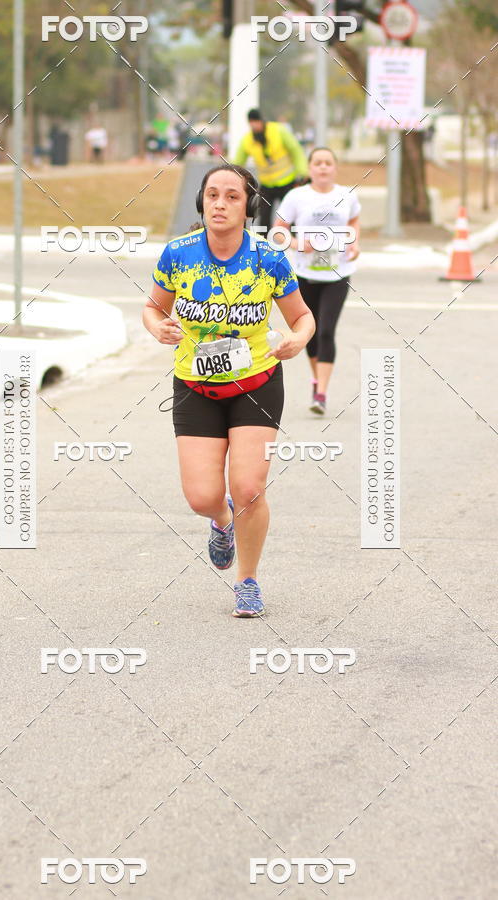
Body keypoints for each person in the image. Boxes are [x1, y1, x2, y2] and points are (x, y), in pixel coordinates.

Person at [143, 164, 315, 617]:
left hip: (255, 383)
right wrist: (158, 327)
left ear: (247, 206)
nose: (220, 204)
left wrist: (298, 340)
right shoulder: (178, 254)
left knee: (249, 488)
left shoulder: (267, 257)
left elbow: (302, 317)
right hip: (195, 386)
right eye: (212, 195)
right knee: (202, 496)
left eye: (232, 197)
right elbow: (151, 308)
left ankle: (248, 580)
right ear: (201, 202)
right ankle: (222, 523)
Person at [273, 146, 361, 415]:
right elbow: (277, 233)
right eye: (318, 163)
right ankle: (316, 381)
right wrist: (299, 244)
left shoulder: (347, 196)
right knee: (309, 333)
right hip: (304, 275)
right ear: (310, 168)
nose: (323, 167)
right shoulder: (296, 197)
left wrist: (354, 242)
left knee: (325, 331)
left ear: (335, 168)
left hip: (338, 273)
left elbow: (354, 222)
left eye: (328, 162)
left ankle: (321, 393)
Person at [234, 109, 308, 232]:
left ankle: (296, 246)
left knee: (291, 217)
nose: (255, 126)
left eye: (256, 122)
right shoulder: (247, 141)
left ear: (262, 120)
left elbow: (296, 150)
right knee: (263, 219)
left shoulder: (279, 131)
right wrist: (230, 176)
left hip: (287, 182)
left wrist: (302, 172)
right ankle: (264, 246)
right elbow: (237, 163)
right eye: (252, 123)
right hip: (267, 185)